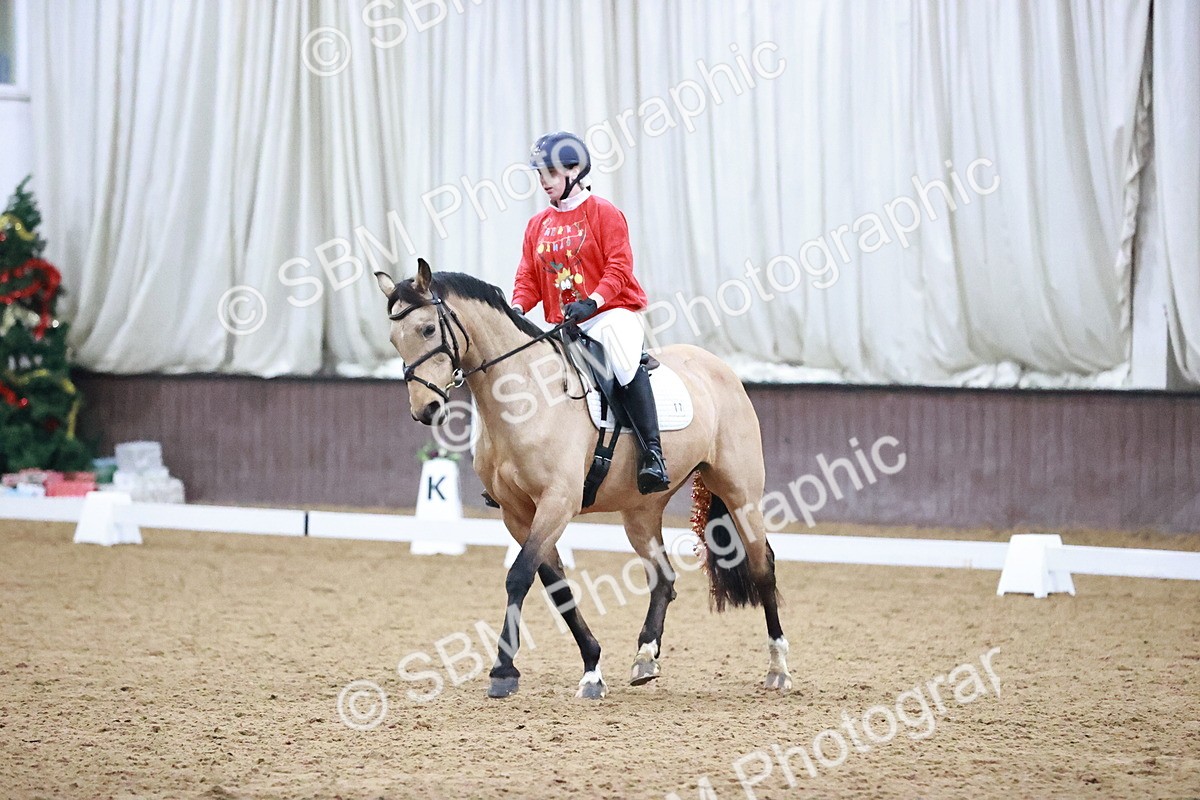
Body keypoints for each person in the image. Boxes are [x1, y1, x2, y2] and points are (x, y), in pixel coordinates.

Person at [511, 131, 669, 494]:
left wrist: (593, 302)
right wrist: (516, 308)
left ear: (575, 171)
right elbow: (528, 278)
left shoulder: (604, 212)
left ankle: (653, 455)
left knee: (624, 363)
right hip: (566, 325)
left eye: (551, 172)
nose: (544, 181)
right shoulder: (537, 225)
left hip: (611, 313)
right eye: (540, 174)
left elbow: (619, 267)